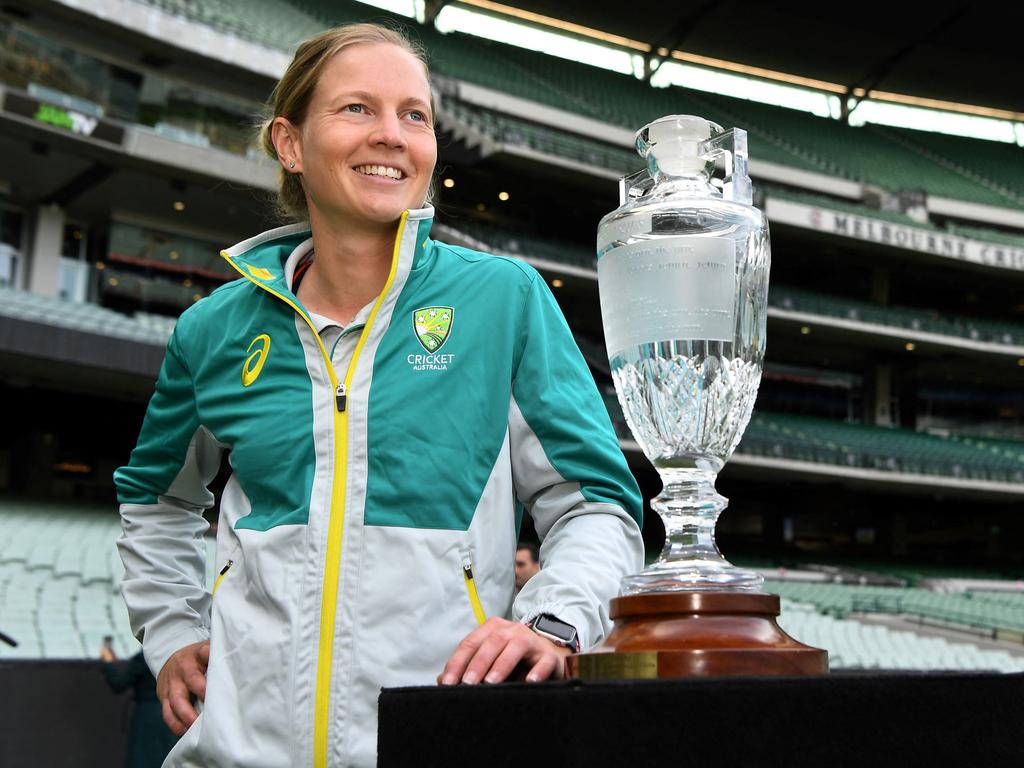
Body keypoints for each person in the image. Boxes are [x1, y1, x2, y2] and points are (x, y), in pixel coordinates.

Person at [114, 22, 643, 768]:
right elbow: (156, 499)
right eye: (357, 109)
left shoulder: (504, 301)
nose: (392, 135)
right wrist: (170, 632)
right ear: (289, 144)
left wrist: (554, 624)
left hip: (443, 744)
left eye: (414, 114)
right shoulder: (212, 330)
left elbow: (597, 504)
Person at [100, 643, 178, 768]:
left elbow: (118, 684)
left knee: (143, 758)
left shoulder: (145, 657)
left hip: (147, 716)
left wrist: (108, 663)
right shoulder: (174, 654)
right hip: (171, 713)